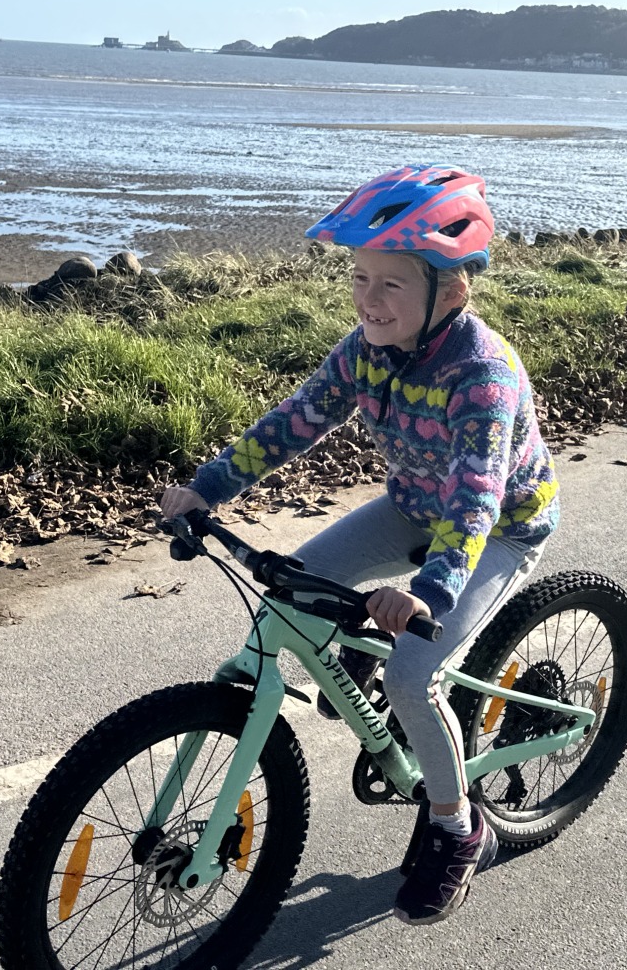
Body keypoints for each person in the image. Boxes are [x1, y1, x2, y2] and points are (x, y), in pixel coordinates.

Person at [159, 164, 559, 925]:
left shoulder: (481, 378)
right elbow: (294, 422)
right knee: (293, 588)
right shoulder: (364, 349)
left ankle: (454, 825)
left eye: (390, 285)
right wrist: (207, 489)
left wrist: (428, 595)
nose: (367, 301)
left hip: (498, 527)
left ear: (453, 291)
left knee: (412, 678)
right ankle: (357, 670)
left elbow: (474, 501)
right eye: (359, 278)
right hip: (412, 507)